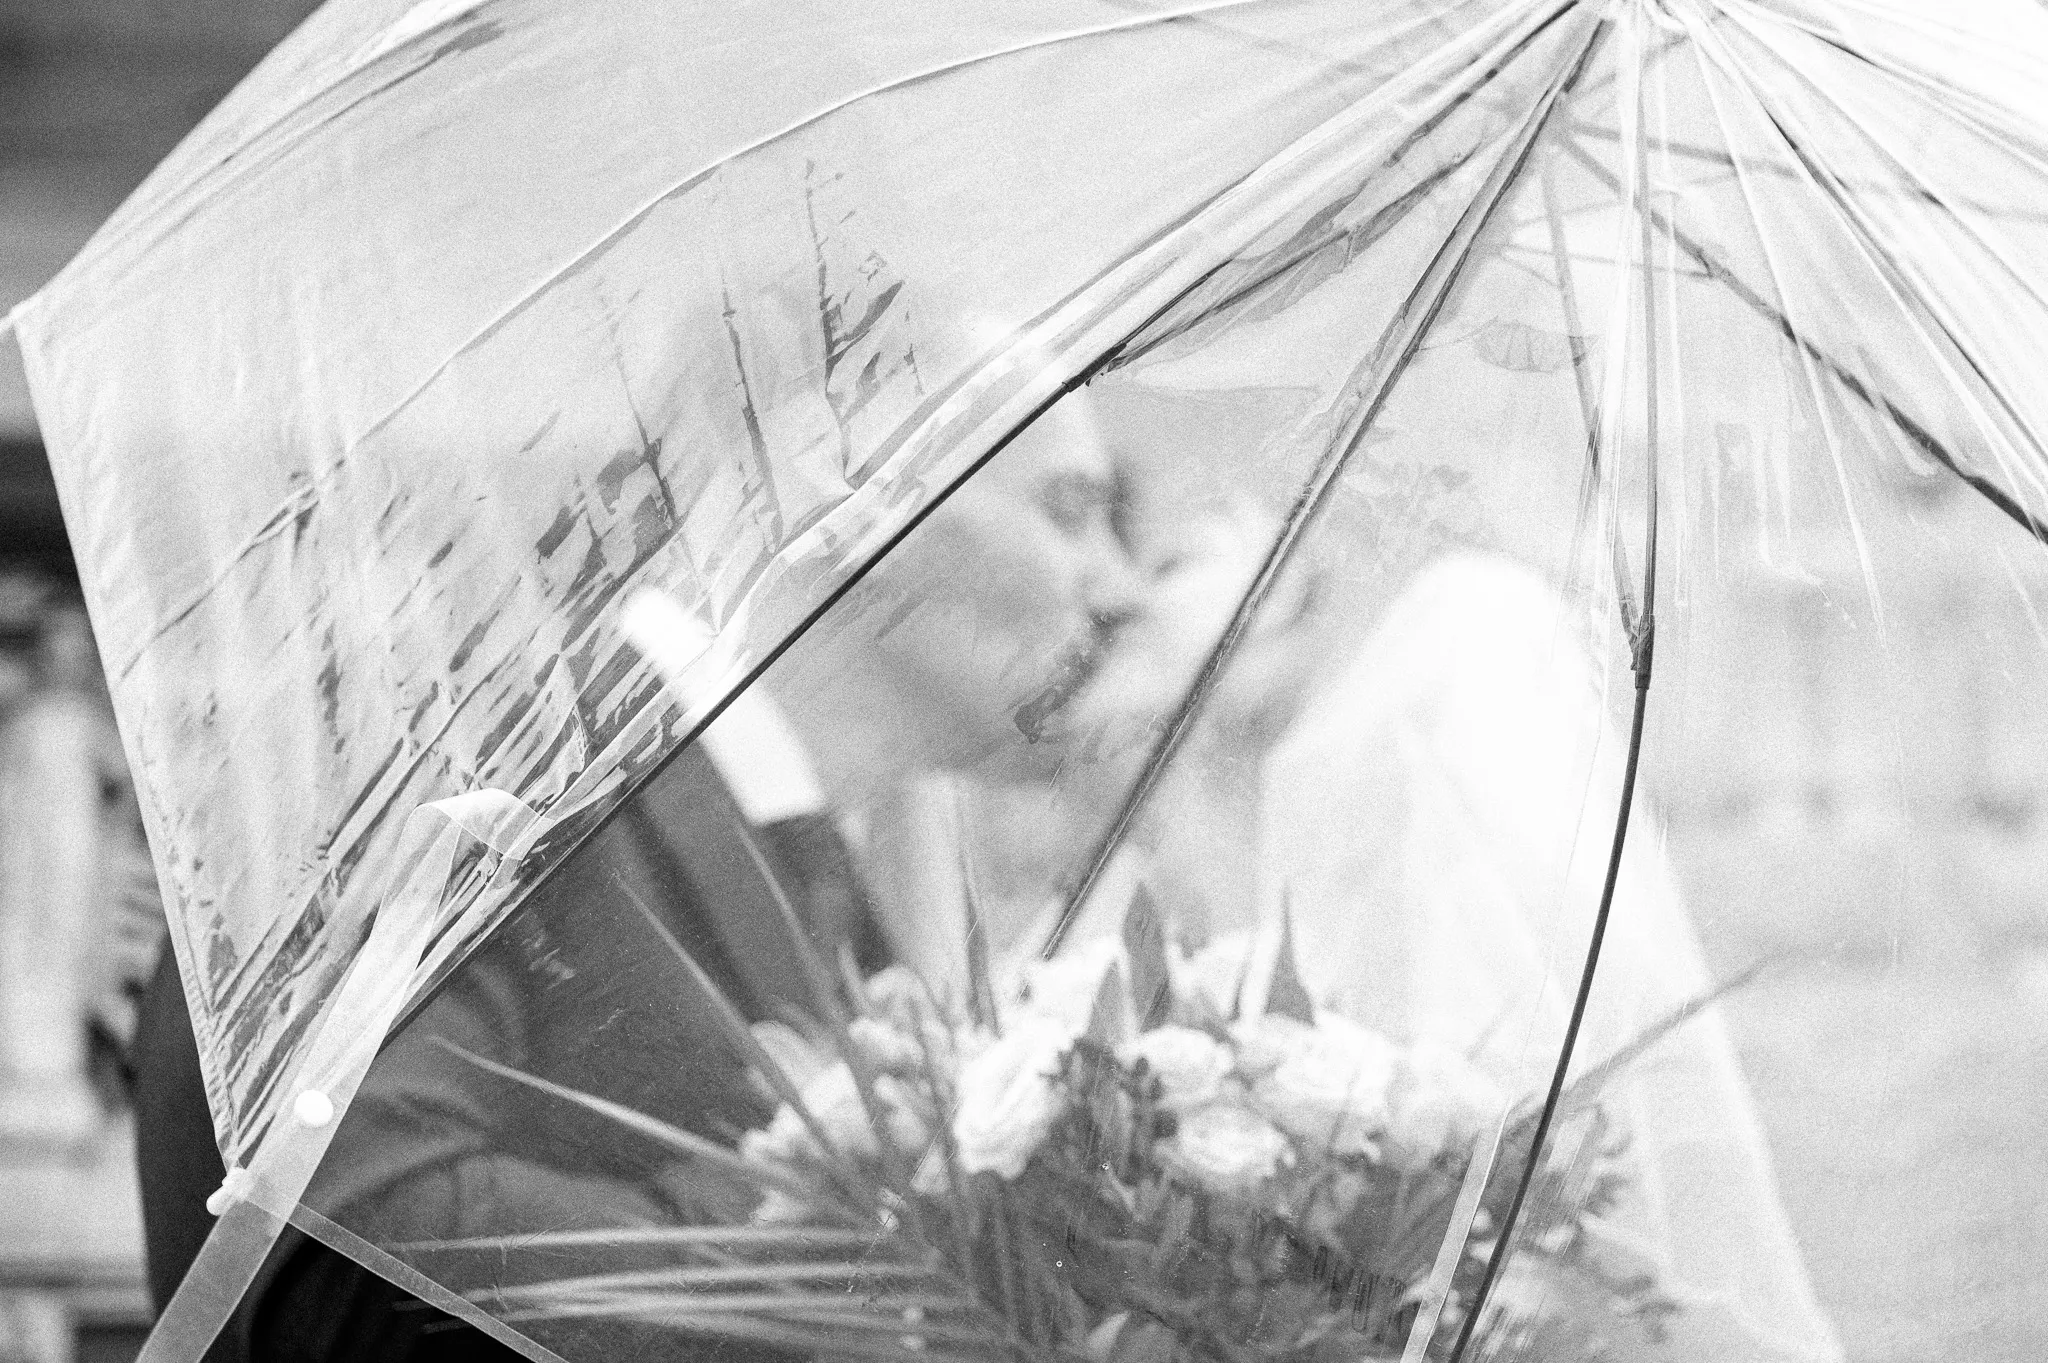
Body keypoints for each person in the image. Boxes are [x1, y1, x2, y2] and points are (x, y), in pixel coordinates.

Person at [130, 386, 1180, 1361]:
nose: (1119, 588)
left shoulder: (828, 874)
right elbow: (334, 1253)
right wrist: (844, 1209)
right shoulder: (488, 759)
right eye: (1068, 509)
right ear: (847, 486)